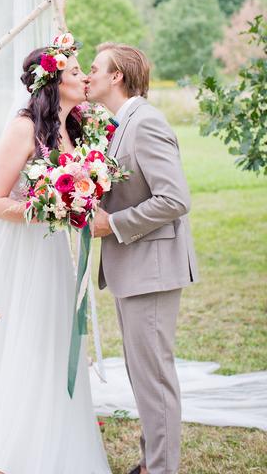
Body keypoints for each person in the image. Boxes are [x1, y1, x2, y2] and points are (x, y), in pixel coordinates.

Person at [0, 37, 111, 474]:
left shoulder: (72, 128)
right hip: (12, 252)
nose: (84, 77)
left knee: (49, 340)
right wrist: (52, 209)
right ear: (53, 83)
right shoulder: (23, 127)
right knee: (14, 343)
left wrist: (78, 203)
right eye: (75, 72)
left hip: (49, 254)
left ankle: (51, 437)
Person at [87, 42, 198, 474]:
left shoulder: (146, 123)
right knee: (142, 374)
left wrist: (112, 224)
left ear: (117, 76)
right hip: (132, 269)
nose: (88, 75)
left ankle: (162, 469)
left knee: (154, 378)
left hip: (152, 270)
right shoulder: (120, 124)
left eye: (95, 68)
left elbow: (175, 199)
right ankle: (152, 462)